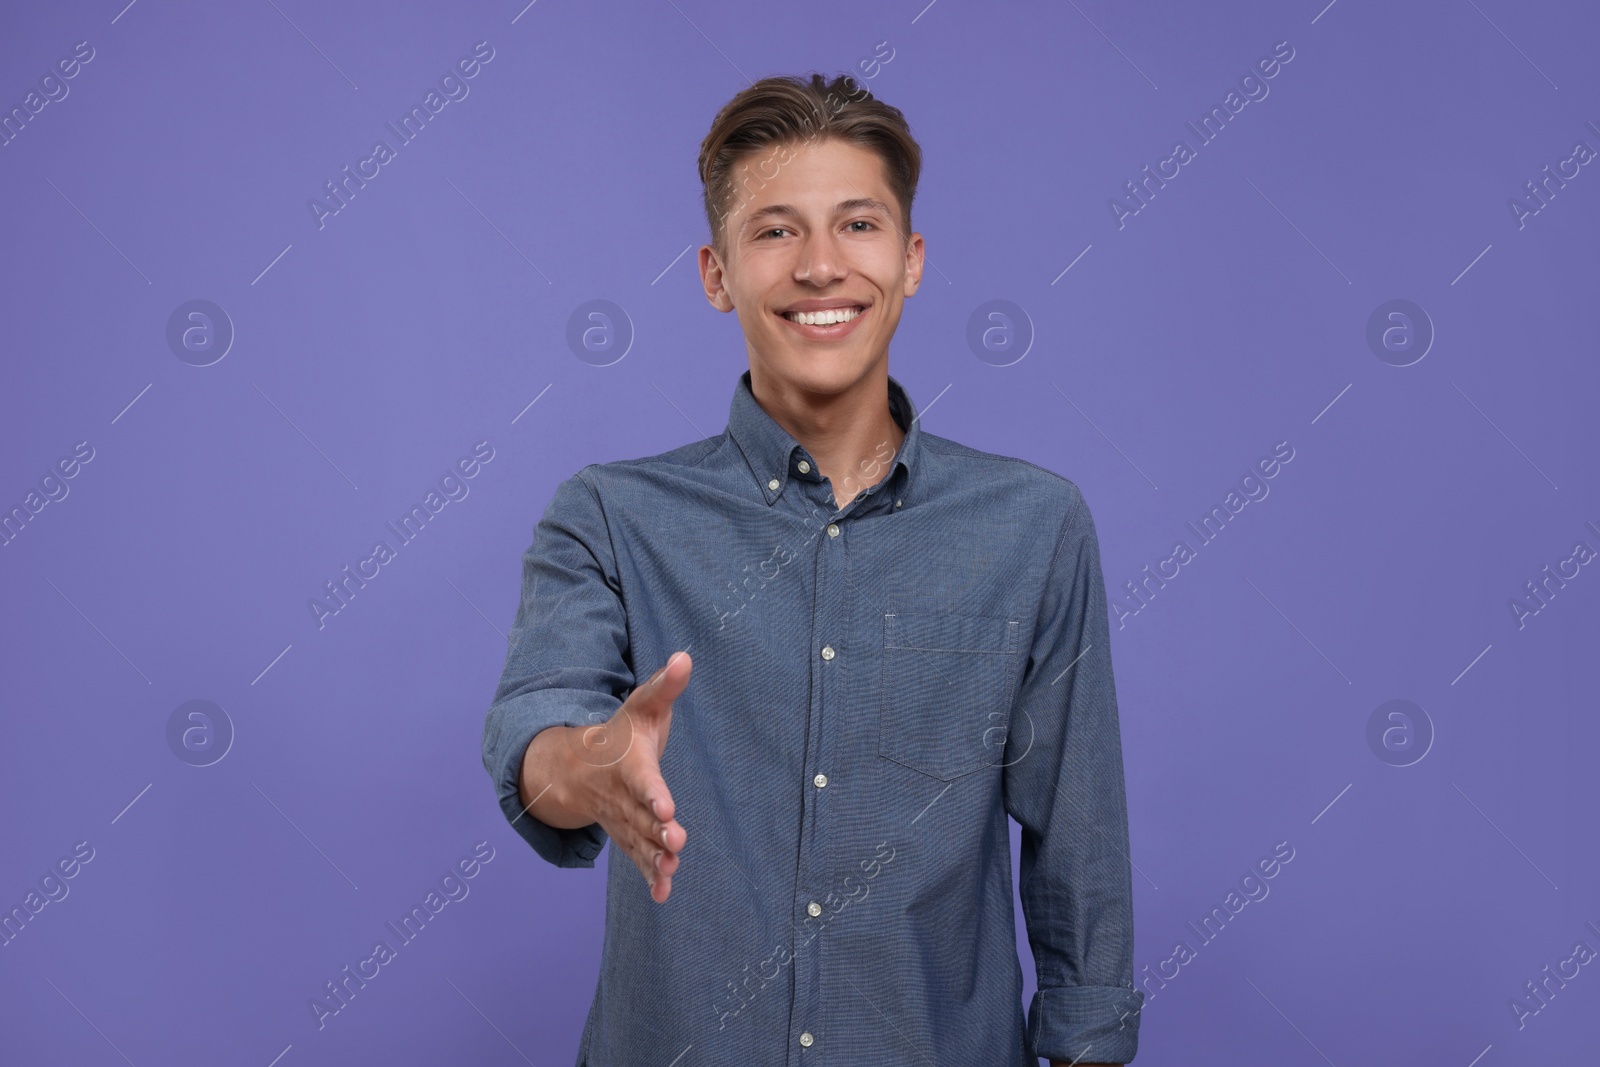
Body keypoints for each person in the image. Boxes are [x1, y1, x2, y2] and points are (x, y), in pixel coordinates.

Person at [481, 71, 1142, 1065]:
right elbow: (534, 731)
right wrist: (589, 764)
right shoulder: (612, 516)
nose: (822, 266)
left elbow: (1077, 850)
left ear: (910, 260)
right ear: (716, 274)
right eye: (776, 230)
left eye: (859, 225)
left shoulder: (1034, 527)